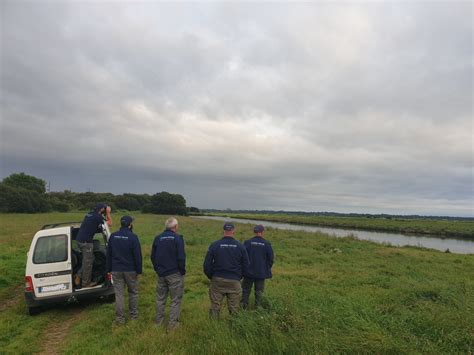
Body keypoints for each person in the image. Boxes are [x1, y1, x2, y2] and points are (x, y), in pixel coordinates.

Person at [203, 222, 249, 319]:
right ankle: (233, 328)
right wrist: (238, 277)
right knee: (234, 308)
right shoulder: (240, 246)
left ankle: (213, 327)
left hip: (217, 280)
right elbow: (246, 265)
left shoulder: (214, 245)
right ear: (233, 231)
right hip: (234, 281)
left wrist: (211, 276)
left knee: (215, 306)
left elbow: (207, 265)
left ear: (223, 231)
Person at [150, 217, 186, 331]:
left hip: (161, 274)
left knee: (160, 299)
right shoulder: (177, 238)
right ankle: (173, 324)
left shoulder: (158, 238)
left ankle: (159, 322)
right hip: (174, 273)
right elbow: (181, 257)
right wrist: (182, 270)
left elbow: (153, 256)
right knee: (175, 299)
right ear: (175, 227)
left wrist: (157, 269)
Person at [106, 215, 142, 325]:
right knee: (133, 293)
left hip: (116, 269)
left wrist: (108, 269)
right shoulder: (133, 237)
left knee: (119, 295)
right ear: (130, 225)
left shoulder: (113, 236)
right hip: (130, 270)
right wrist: (139, 271)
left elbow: (109, 254)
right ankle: (134, 317)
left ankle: (120, 319)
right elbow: (137, 256)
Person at [76, 203, 112, 288]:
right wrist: (108, 213)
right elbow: (110, 223)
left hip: (79, 240)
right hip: (86, 242)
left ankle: (78, 275)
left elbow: (93, 225)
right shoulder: (98, 217)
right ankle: (85, 283)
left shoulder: (89, 214)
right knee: (88, 263)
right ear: (102, 209)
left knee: (90, 259)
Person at [241, 225, 274, 309]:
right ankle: (257, 308)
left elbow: (242, 257)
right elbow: (270, 259)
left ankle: (243, 307)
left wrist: (244, 269)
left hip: (248, 273)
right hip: (261, 273)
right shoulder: (266, 244)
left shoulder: (247, 242)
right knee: (259, 292)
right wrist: (265, 268)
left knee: (245, 291)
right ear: (262, 232)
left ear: (254, 232)